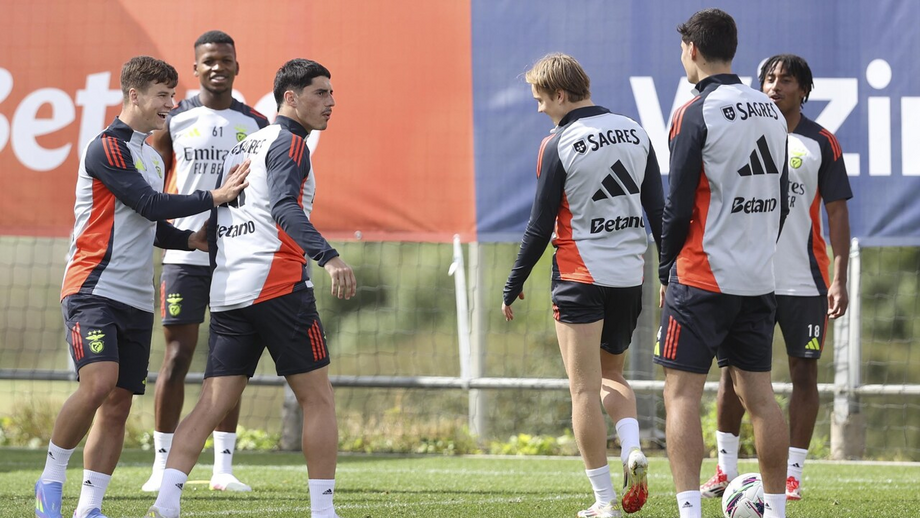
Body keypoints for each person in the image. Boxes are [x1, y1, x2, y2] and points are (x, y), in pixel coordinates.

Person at [34, 56, 249, 518]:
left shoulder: (150, 155)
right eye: (162, 95)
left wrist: (189, 240)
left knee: (118, 404)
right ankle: (50, 479)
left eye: (173, 95)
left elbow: (147, 223)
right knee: (98, 383)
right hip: (92, 288)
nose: (170, 104)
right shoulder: (106, 148)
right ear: (134, 95)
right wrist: (214, 196)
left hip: (136, 298)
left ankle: (89, 507)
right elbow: (149, 203)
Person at [145, 58, 355, 518]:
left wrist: (221, 274)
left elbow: (219, 219)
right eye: (321, 93)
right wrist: (328, 256)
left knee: (211, 402)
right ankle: (323, 512)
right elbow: (284, 207)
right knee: (318, 397)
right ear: (291, 98)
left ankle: (166, 502)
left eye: (331, 93)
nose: (331, 102)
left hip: (229, 290)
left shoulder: (243, 146)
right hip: (279, 288)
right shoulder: (290, 142)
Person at [502, 53, 663, 518]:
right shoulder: (635, 130)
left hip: (579, 276)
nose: (539, 109)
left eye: (540, 99)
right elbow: (659, 212)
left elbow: (539, 226)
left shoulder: (558, 143)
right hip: (628, 277)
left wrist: (514, 282)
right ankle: (632, 446)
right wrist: (668, 274)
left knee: (584, 390)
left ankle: (604, 500)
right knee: (612, 375)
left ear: (559, 94)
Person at [654, 9, 791, 518]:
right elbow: (781, 199)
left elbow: (676, 205)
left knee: (681, 395)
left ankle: (690, 511)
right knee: (761, 397)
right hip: (757, 279)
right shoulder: (771, 111)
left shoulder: (694, 112)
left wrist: (666, 269)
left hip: (701, 277)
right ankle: (776, 509)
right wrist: (757, 250)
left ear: (692, 49)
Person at [699, 54, 852, 502]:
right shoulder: (745, 131)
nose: (775, 86)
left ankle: (793, 476)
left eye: (786, 79)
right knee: (732, 375)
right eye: (769, 78)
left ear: (803, 90)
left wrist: (839, 277)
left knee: (804, 372)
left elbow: (837, 213)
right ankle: (724, 470)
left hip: (804, 281)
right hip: (748, 276)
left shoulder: (821, 142)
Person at [143, 30, 268, 494]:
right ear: (195, 68)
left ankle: (223, 469)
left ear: (237, 65)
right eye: (209, 61)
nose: (218, 67)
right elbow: (153, 180)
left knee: (228, 360)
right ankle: (161, 464)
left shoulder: (256, 123)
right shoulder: (175, 119)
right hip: (184, 253)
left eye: (225, 60)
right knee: (177, 356)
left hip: (236, 255)